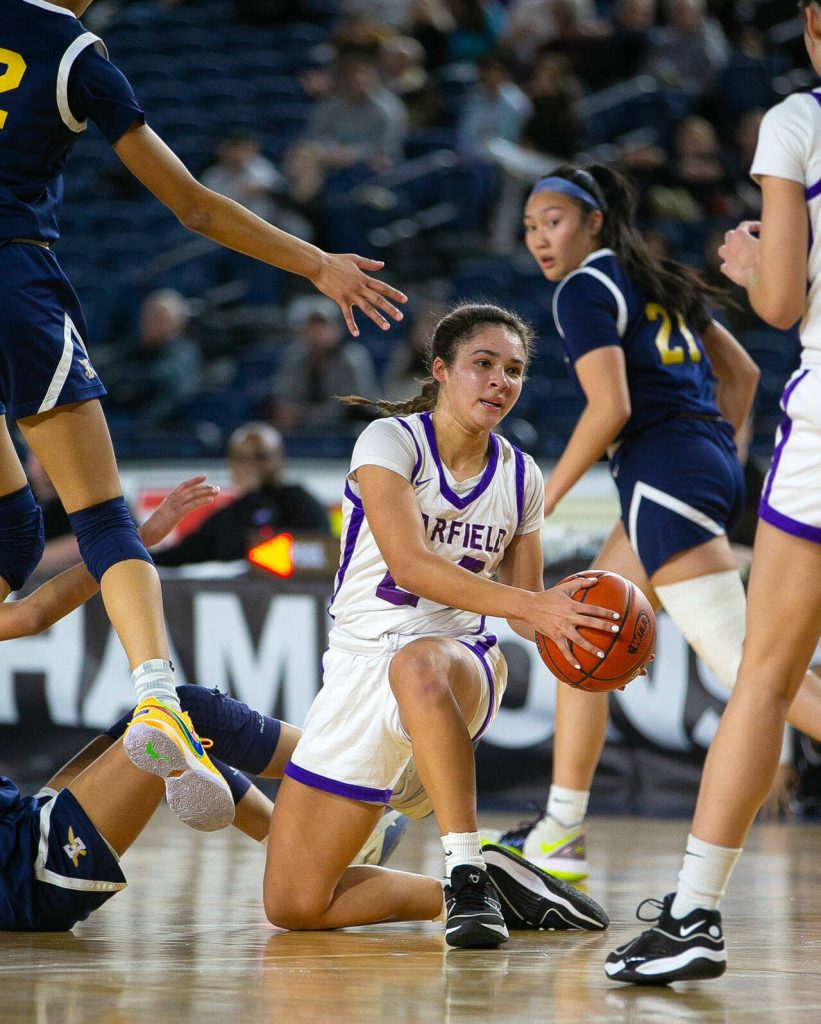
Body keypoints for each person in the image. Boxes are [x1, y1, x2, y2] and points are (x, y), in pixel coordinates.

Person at [0, 0, 406, 832]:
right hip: (12, 277)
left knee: (12, 542)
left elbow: (29, 610)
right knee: (105, 513)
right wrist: (316, 263)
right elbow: (191, 203)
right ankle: (156, 697)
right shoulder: (74, 50)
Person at [496, 163, 821, 890]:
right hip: (698, 464)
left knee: (749, 670)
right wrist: (715, 452)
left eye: (551, 221)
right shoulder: (654, 278)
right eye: (528, 227)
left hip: (665, 475)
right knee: (580, 631)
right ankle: (559, 831)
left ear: (592, 223)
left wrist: (536, 504)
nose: (538, 239)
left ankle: (560, 834)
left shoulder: (583, 288)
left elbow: (607, 408)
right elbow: (737, 376)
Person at [261, 302, 615, 950]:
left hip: (457, 663)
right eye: (483, 364)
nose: (499, 382)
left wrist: (597, 641)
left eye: (512, 370)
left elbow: (527, 606)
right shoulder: (388, 441)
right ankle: (492, 890)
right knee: (295, 903)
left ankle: (467, 865)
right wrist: (533, 608)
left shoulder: (520, 475)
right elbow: (409, 563)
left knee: (418, 662)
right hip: (354, 669)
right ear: (441, 371)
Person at [604, 1, 821, 983]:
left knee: (765, 675)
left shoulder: (794, 122)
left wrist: (747, 265)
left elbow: (776, 304)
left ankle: (691, 914)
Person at [0, 479, 402, 931]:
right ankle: (390, 773)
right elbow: (27, 602)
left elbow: (31, 614)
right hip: (32, 873)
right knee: (183, 715)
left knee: (170, 734)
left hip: (24, 831)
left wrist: (132, 543)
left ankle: (324, 842)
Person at [153, 422, 331, 567]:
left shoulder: (301, 504)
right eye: (240, 459)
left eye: (260, 457)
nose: (249, 466)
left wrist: (253, 497)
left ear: (279, 458)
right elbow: (182, 555)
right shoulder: (226, 517)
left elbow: (320, 553)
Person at [268, 296, 378, 434]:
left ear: (337, 328)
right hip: (301, 432)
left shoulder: (352, 357)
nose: (316, 332)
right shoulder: (295, 357)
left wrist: (303, 415)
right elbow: (284, 397)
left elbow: (352, 406)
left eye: (322, 325)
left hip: (344, 433)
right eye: (311, 326)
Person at [104, 289, 202, 427]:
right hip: (126, 423)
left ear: (178, 324)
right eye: (148, 318)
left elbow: (166, 380)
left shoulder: (184, 352)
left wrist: (131, 382)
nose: (152, 324)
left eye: (161, 319)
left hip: (164, 429)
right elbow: (112, 376)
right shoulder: (131, 348)